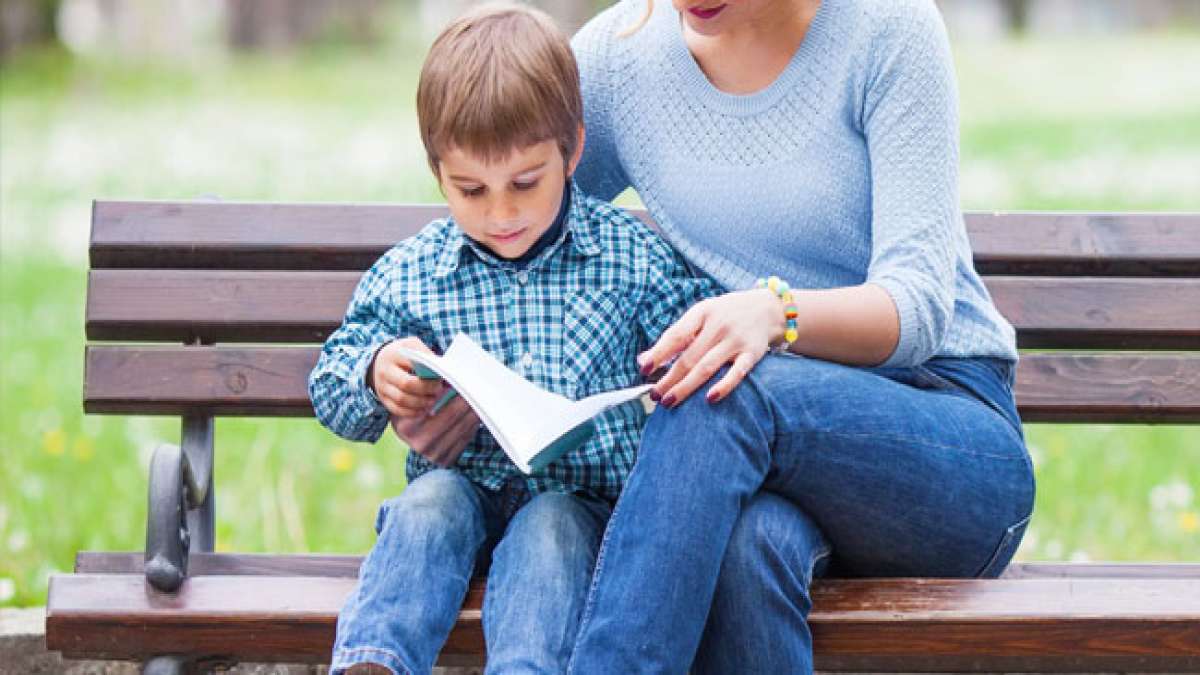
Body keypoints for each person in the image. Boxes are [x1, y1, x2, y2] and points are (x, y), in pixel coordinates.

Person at [561, 0, 1037, 672]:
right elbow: (514, 225)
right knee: (747, 550)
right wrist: (428, 378)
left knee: (721, 386)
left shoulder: (888, 28)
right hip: (760, 464)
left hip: (948, 444)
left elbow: (918, 306)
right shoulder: (617, 61)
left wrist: (775, 313)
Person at [307, 4, 719, 673]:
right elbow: (332, 381)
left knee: (550, 526)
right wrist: (378, 371)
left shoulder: (629, 258)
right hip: (459, 501)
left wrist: (674, 370)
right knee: (428, 504)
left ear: (573, 151)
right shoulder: (415, 271)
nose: (501, 213)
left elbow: (695, 353)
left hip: (579, 511)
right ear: (437, 171)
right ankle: (373, 661)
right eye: (471, 190)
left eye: (526, 183)